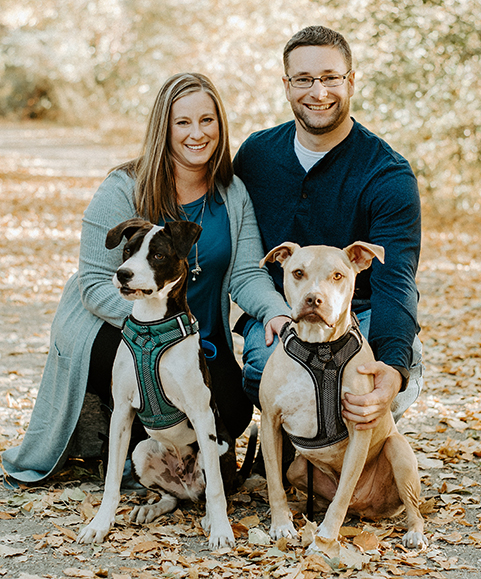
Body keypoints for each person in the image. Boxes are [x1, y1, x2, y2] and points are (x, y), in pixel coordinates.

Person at [2, 72, 290, 487]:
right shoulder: (124, 187)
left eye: (207, 121)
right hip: (117, 330)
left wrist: (276, 313)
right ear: (164, 127)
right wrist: (154, 328)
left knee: (234, 409)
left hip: (196, 336)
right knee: (133, 358)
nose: (197, 134)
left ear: (220, 126)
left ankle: (153, 447)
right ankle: (130, 443)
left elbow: (246, 273)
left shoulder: (232, 193)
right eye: (183, 123)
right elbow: (96, 282)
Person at [233, 26, 423, 429]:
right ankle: (295, 443)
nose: (318, 92)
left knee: (370, 381)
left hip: (363, 312)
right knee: (264, 369)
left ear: (351, 81)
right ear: (286, 86)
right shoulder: (256, 157)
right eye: (303, 79)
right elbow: (237, 251)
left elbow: (395, 282)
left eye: (331, 78)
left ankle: (350, 446)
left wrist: (392, 367)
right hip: (281, 311)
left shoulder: (387, 174)